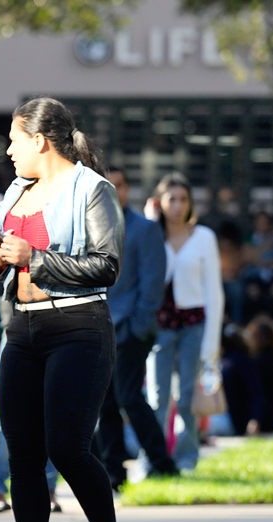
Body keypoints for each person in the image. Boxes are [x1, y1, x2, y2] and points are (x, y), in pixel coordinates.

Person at [0, 98, 128, 522]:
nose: (8, 150)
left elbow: (106, 265)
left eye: (14, 139)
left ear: (40, 140)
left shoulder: (93, 189)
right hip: (21, 333)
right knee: (22, 455)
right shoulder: (14, 192)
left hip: (79, 328)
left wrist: (36, 259)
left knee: (67, 446)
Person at [0, 193, 60, 514]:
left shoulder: (42, 229)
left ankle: (48, 488)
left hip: (52, 329)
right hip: (14, 333)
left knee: (48, 415)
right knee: (5, 417)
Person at [97, 167, 178, 488]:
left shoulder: (145, 229)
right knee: (105, 403)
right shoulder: (91, 226)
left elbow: (153, 284)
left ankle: (163, 463)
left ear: (128, 188)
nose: (113, 191)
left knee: (129, 397)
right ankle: (114, 470)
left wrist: (138, 326)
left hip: (130, 328)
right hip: (97, 326)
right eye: (107, 186)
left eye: (119, 185)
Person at [145, 173, 223, 471]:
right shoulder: (151, 234)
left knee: (189, 395)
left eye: (183, 199)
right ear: (159, 203)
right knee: (157, 395)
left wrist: (211, 344)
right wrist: (153, 225)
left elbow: (213, 292)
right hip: (160, 324)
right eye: (171, 199)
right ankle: (152, 458)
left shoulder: (204, 237)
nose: (177, 206)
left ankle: (187, 456)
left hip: (194, 323)